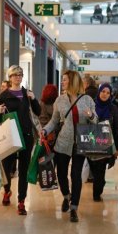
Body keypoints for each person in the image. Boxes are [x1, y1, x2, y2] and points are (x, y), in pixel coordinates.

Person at [41, 70, 97, 223]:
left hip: (80, 142)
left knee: (76, 175)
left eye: (65, 80)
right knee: (61, 174)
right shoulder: (59, 101)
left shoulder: (87, 100)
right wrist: (45, 130)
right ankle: (66, 196)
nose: (62, 82)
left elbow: (96, 120)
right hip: (63, 142)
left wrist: (91, 115)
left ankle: (74, 208)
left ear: (72, 81)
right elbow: (54, 121)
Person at [0, 65, 41, 215]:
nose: (18, 77)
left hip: (26, 135)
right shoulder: (4, 95)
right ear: (10, 77)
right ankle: (7, 190)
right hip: (9, 136)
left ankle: (21, 201)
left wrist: (34, 99)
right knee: (6, 167)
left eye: (20, 74)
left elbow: (38, 111)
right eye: (15, 75)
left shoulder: (27, 94)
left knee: (24, 169)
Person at [89, 83, 118, 202]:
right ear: (99, 91)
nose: (105, 94)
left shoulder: (113, 108)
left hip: (106, 143)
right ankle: (100, 182)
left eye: (108, 93)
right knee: (94, 168)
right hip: (91, 141)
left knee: (100, 168)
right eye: (103, 91)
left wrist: (116, 148)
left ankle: (96, 193)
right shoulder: (92, 105)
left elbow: (117, 128)